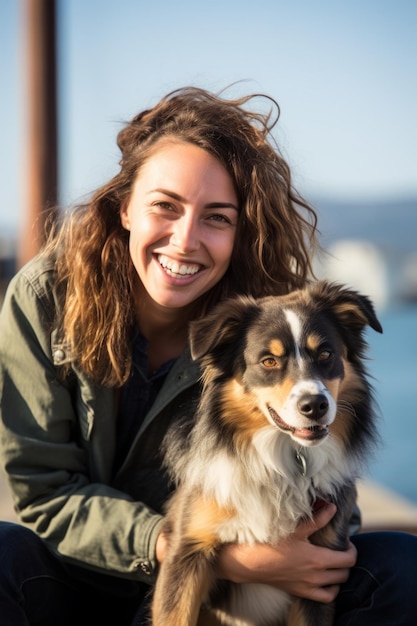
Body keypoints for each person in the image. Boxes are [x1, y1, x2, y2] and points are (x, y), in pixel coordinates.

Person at [0, 85, 416, 626]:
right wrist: (227, 558)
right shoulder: (45, 298)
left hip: (241, 593)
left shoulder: (269, 314)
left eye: (217, 217)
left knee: (402, 569)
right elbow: (44, 492)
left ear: (239, 229)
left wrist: (295, 554)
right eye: (165, 207)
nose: (185, 239)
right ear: (125, 207)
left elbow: (332, 491)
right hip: (82, 576)